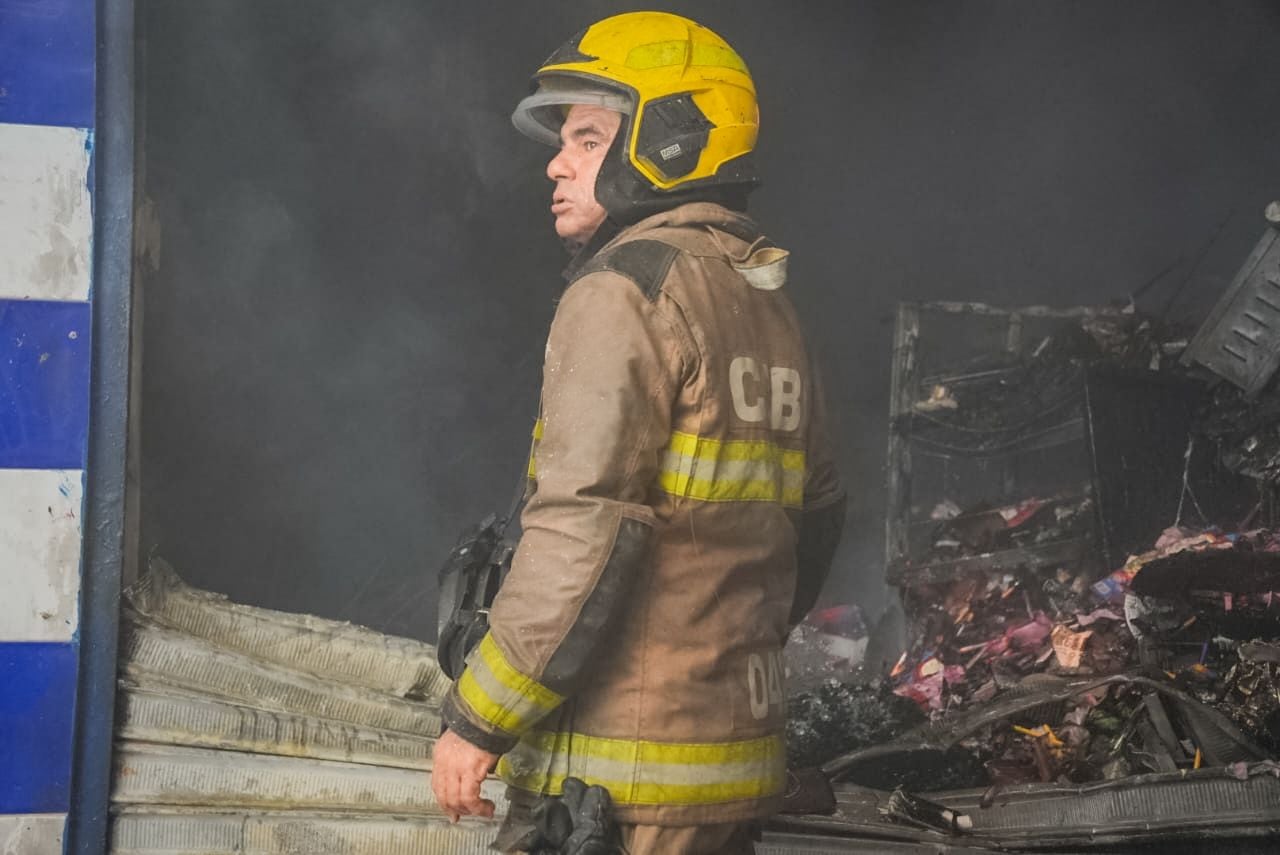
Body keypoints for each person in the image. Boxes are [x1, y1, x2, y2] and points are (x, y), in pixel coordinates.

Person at [432, 11, 845, 854]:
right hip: (725, 771)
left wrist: (477, 720)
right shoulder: (767, 303)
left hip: (615, 791)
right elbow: (820, 517)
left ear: (670, 139)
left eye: (586, 137)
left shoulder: (625, 290)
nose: (556, 162)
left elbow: (586, 525)